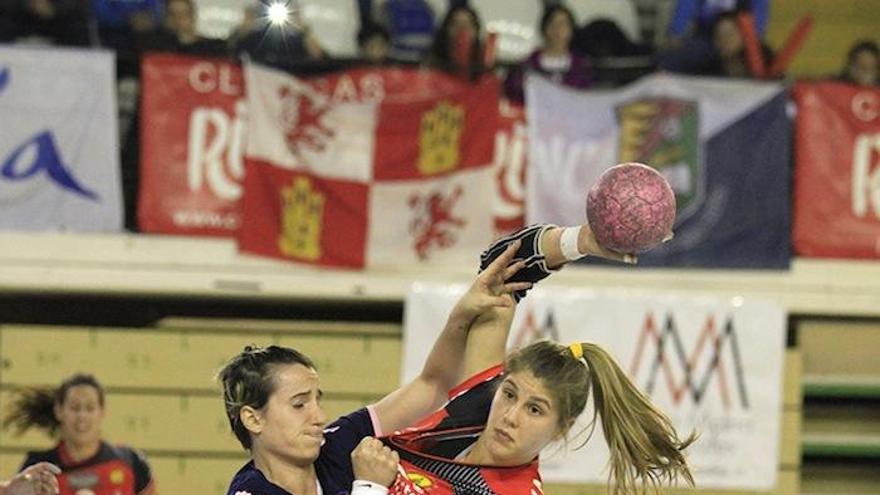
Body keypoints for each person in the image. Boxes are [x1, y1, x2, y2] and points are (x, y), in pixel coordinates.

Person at [219, 238, 535, 495]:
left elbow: (432, 385)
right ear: (253, 419)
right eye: (299, 404)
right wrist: (369, 487)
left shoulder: (337, 444)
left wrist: (462, 315)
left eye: (318, 400)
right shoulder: (249, 493)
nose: (318, 417)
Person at [2, 374, 155, 495]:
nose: (82, 416)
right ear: (59, 411)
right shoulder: (40, 470)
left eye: (90, 408)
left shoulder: (131, 462)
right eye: (75, 408)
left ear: (102, 412)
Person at [504, 4, 593, 104]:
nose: (558, 30)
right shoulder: (526, 67)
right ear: (545, 28)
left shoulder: (581, 68)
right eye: (553, 24)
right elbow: (513, 95)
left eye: (563, 24)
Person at [424, 4, 486, 80]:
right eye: (455, 24)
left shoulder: (485, 66)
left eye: (468, 24)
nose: (462, 29)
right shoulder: (430, 67)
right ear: (446, 29)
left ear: (476, 31)